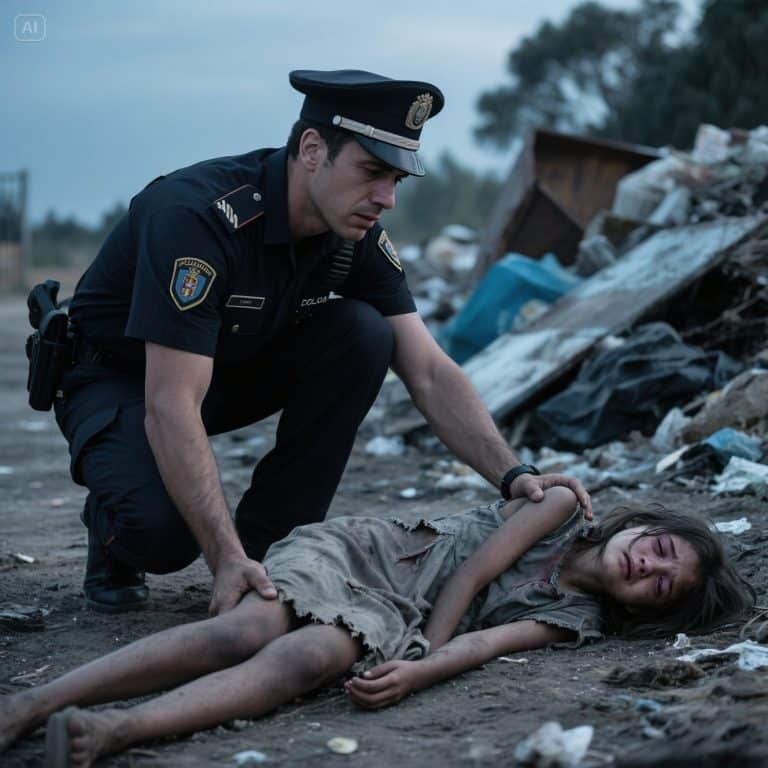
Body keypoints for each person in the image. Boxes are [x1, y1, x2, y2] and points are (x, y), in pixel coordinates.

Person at [50, 68, 592, 614]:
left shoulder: (351, 233)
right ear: (312, 149)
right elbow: (169, 403)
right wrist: (222, 558)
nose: (387, 199)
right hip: (120, 381)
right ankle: (114, 530)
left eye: (396, 181)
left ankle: (273, 551)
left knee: (363, 333)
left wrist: (514, 474)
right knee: (164, 540)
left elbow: (428, 369)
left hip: (219, 372)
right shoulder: (197, 218)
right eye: (371, 172)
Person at [0, 488, 753, 767]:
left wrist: (419, 669)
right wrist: (425, 646)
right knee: (241, 634)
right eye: (657, 550)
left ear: (647, 609)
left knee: (307, 660)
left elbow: (491, 640)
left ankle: (113, 732)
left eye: (661, 587)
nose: (646, 569)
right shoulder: (562, 509)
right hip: (378, 555)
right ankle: (31, 706)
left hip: (395, 621)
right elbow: (473, 576)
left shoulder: (576, 618)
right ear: (644, 524)